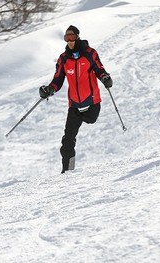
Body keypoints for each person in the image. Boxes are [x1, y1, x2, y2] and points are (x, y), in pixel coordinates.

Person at [39, 25, 113, 173]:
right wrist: (49, 90)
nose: (70, 41)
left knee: (91, 120)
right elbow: (58, 80)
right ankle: (68, 171)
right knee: (67, 140)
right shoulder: (63, 59)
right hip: (74, 105)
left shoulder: (90, 53)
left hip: (92, 102)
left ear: (77, 37)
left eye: (72, 37)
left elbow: (99, 69)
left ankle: (68, 170)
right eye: (67, 38)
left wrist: (105, 78)